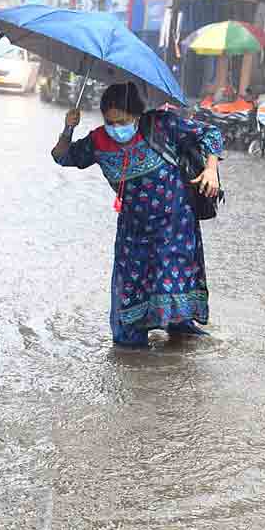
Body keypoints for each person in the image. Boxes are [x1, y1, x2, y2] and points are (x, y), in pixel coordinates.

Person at [51, 83, 224, 348]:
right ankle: (131, 347)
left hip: (174, 227)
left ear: (137, 115)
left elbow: (210, 133)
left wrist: (211, 170)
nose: (115, 127)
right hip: (133, 232)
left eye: (122, 120)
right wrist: (68, 128)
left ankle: (180, 329)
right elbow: (62, 157)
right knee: (130, 297)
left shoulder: (161, 125)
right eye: (109, 121)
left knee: (175, 283)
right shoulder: (98, 141)